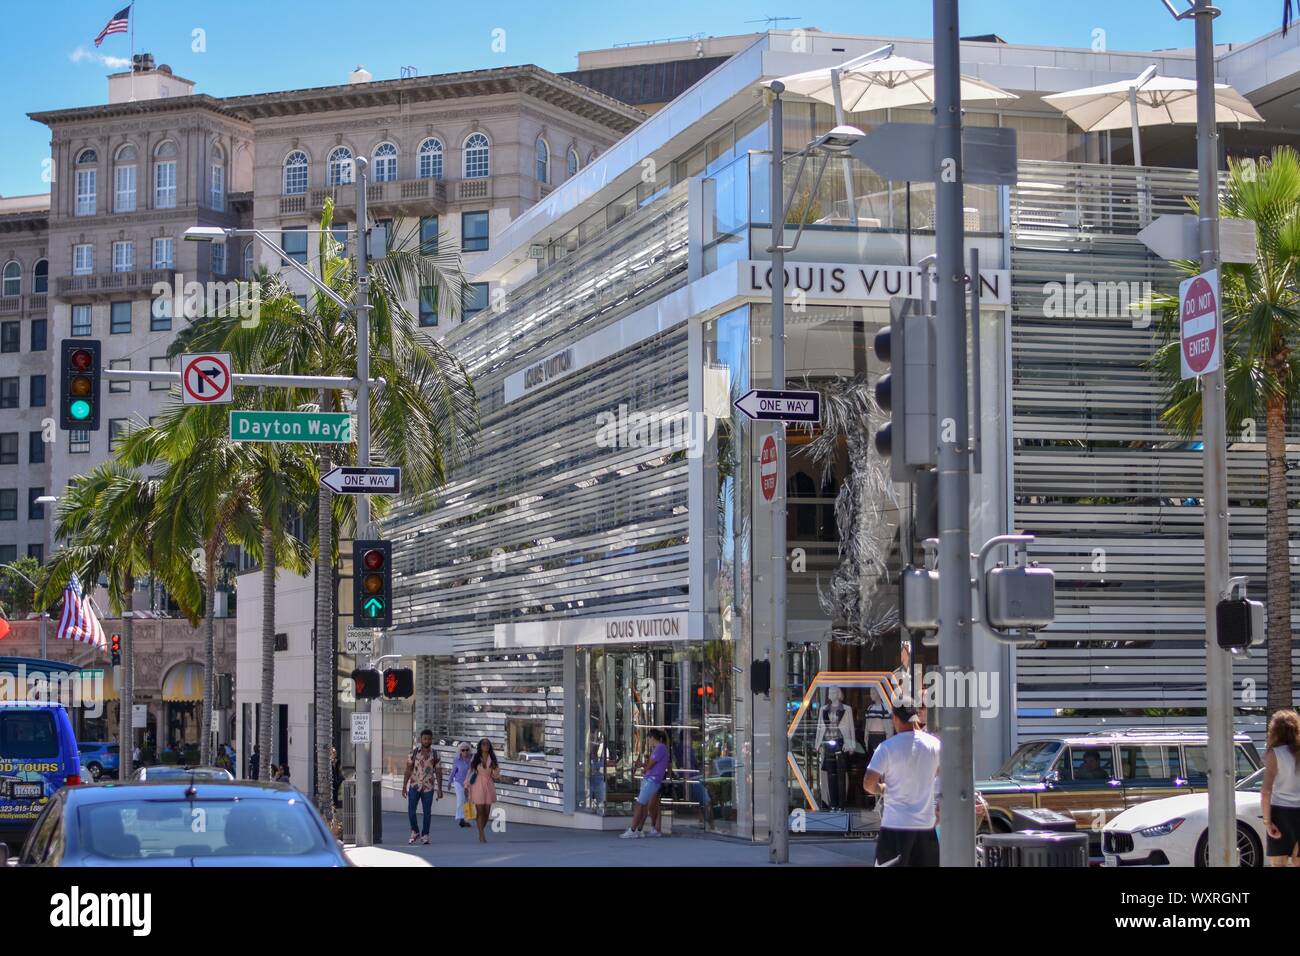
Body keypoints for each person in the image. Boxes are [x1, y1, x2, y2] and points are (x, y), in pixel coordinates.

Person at [862, 698, 941, 867]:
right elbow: (946, 778)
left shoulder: (887, 747)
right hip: (926, 827)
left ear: (895, 719)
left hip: (895, 826)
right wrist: (940, 807)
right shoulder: (935, 745)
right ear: (915, 717)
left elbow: (868, 784)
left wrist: (882, 789)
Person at [1261, 708, 1300, 867]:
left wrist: (1267, 822)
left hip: (1280, 812)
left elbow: (1265, 792)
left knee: (1278, 863)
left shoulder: (1274, 754)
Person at [621, 728, 670, 839]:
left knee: (639, 804)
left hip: (651, 780)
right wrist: (643, 765)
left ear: (652, 738)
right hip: (652, 780)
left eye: (649, 739)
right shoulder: (660, 749)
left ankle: (633, 830)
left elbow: (650, 765)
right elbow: (652, 765)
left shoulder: (660, 748)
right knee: (644, 805)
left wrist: (644, 767)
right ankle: (639, 829)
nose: (648, 741)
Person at [402, 729, 443, 845]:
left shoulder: (436, 754)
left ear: (431, 739)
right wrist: (404, 786)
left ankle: (425, 835)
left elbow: (439, 772)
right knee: (411, 811)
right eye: (425, 738)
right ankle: (415, 831)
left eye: (429, 739)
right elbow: (408, 770)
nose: (427, 741)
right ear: (421, 739)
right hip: (414, 786)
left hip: (428, 787)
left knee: (427, 813)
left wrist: (440, 789)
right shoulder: (413, 753)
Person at [466, 737, 502, 844]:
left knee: (486, 812)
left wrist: (496, 769)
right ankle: (481, 834)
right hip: (477, 785)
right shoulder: (475, 758)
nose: (486, 746)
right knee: (480, 811)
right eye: (483, 744)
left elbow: (495, 776)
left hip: (488, 785)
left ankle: (481, 830)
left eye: (487, 744)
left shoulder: (493, 759)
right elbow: (470, 772)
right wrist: (466, 786)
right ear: (480, 746)